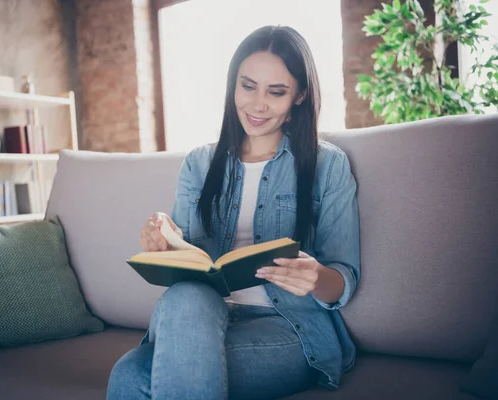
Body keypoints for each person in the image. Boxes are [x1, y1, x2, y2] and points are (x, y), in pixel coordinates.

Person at [106, 25, 360, 400]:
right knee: (186, 297)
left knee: (132, 376)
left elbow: (344, 277)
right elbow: (184, 268)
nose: (257, 105)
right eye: (248, 86)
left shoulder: (328, 165)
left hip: (288, 328)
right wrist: (163, 243)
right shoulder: (199, 163)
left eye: (276, 92)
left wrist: (316, 276)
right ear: (232, 86)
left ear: (300, 96)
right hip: (198, 318)